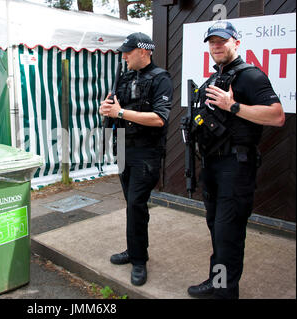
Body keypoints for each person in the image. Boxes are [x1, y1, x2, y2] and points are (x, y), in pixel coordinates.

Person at [187, 21, 285, 299]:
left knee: (228, 232)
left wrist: (233, 106)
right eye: (212, 42)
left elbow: (276, 116)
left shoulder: (251, 76)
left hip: (236, 167)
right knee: (217, 229)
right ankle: (217, 282)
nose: (217, 46)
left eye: (222, 41)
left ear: (236, 43)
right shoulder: (213, 79)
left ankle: (224, 293)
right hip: (212, 166)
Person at [99, 32, 173, 286]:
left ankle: (139, 259)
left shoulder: (160, 78)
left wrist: (121, 111)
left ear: (144, 51)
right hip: (123, 149)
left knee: (136, 204)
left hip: (146, 153)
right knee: (131, 205)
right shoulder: (124, 76)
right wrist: (107, 111)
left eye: (128, 51)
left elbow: (160, 118)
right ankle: (133, 250)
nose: (124, 55)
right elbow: (113, 113)